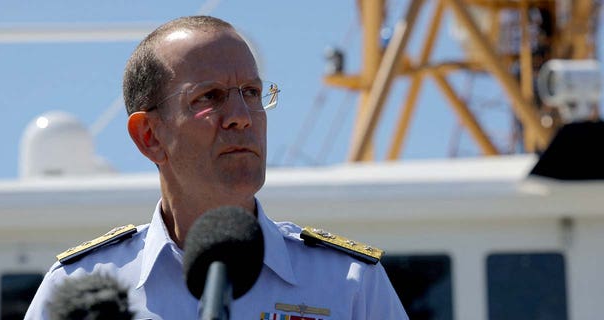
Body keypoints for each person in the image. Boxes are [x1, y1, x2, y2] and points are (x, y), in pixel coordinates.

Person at [25, 16, 408, 319]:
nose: (241, 117)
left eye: (252, 93)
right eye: (210, 97)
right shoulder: (76, 291)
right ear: (149, 136)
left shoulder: (351, 284)